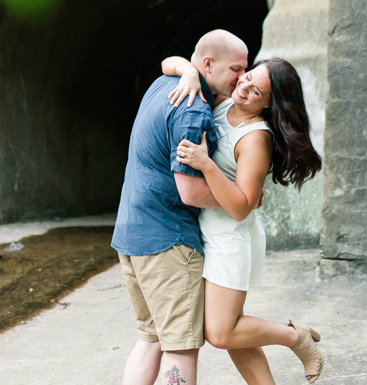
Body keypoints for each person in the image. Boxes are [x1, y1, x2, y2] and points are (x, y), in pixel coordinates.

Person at [164, 55, 324, 384]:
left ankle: (296, 338)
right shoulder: (223, 103)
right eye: (248, 76)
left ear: (269, 105)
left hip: (228, 239)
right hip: (204, 231)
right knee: (234, 329)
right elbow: (167, 62)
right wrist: (189, 72)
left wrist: (207, 165)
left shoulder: (256, 138)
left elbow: (241, 206)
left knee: (222, 332)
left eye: (256, 92)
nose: (244, 87)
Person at [111, 29, 249, 385]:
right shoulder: (194, 109)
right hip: (168, 242)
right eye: (236, 68)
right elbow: (190, 192)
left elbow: (168, 62)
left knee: (150, 340)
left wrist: (185, 69)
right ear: (207, 64)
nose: (242, 77)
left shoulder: (164, 83)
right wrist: (241, 199)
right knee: (180, 348)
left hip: (132, 234)